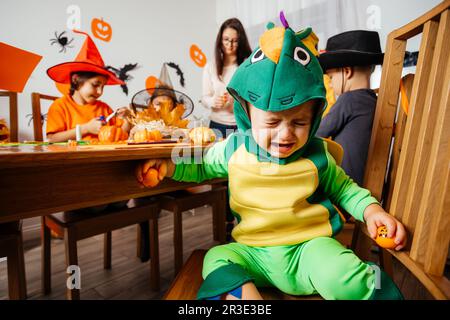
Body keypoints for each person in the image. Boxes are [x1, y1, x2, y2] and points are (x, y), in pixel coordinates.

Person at [137, 17, 407, 300]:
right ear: (247, 114)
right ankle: (248, 298)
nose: (285, 134)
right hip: (253, 253)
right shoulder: (234, 148)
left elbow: (344, 188)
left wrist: (371, 211)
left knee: (343, 273)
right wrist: (167, 166)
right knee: (216, 258)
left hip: (309, 249)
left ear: (315, 119)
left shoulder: (317, 154)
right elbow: (200, 165)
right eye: (271, 123)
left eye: (300, 123)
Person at [316, 30, 383, 185]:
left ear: (347, 71)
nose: (330, 84)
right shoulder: (372, 101)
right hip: (364, 183)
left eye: (331, 78)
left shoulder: (349, 100)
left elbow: (318, 132)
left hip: (345, 186)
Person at [46, 30, 130, 143]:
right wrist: (85, 129)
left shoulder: (104, 108)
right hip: (73, 159)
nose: (100, 92)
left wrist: (127, 120)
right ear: (75, 79)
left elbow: (120, 135)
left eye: (103, 87)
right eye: (95, 85)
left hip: (103, 158)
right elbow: (51, 139)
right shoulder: (59, 106)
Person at [201, 18, 252, 139]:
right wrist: (213, 101)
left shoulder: (246, 66)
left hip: (240, 125)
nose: (230, 44)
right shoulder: (210, 66)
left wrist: (237, 100)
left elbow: (253, 99)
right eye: (226, 40)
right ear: (220, 40)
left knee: (239, 157)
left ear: (241, 42)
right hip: (216, 126)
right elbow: (204, 98)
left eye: (235, 41)